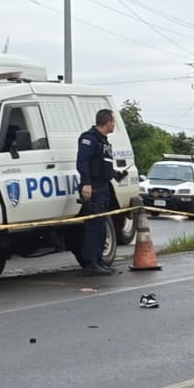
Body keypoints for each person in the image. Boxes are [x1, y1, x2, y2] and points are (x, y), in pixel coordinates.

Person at [75, 109, 127, 275]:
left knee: (102, 226)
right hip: (94, 187)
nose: (114, 125)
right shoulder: (89, 139)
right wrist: (86, 183)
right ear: (108, 122)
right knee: (94, 226)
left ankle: (98, 261)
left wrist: (116, 175)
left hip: (104, 186)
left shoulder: (103, 141)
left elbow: (104, 165)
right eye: (113, 122)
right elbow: (82, 162)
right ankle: (90, 263)